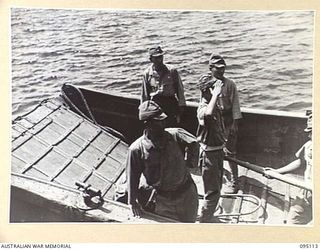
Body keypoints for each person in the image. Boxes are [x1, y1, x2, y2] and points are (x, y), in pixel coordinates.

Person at [126, 100, 199, 222]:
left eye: (163, 120)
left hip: (187, 195)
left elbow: (194, 143)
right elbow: (132, 177)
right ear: (147, 123)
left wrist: (191, 163)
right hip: (164, 201)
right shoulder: (136, 149)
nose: (163, 123)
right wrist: (133, 202)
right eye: (158, 122)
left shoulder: (175, 134)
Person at [264, 112, 313, 225]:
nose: (310, 136)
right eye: (309, 132)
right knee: (293, 221)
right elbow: (300, 162)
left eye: (313, 132)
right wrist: (277, 172)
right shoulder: (310, 145)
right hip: (307, 192)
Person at [207, 54, 242, 194]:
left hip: (227, 123)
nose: (222, 71)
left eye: (223, 68)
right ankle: (217, 178)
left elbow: (235, 106)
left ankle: (234, 181)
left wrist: (234, 124)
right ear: (211, 68)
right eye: (218, 68)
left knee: (231, 153)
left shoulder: (230, 84)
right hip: (213, 124)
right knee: (214, 152)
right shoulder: (207, 84)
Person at [196, 74, 227, 223]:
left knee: (217, 187)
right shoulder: (203, 108)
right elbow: (208, 115)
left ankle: (209, 214)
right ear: (209, 90)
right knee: (212, 192)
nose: (219, 91)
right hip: (209, 155)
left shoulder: (213, 104)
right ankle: (204, 220)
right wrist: (215, 95)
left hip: (217, 151)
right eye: (215, 88)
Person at [141, 45, 186, 127]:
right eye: (156, 58)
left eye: (161, 57)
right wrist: (144, 111)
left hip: (170, 104)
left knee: (172, 127)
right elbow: (145, 95)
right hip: (155, 105)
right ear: (151, 59)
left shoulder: (172, 70)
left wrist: (181, 105)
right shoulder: (147, 73)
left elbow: (179, 89)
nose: (160, 59)